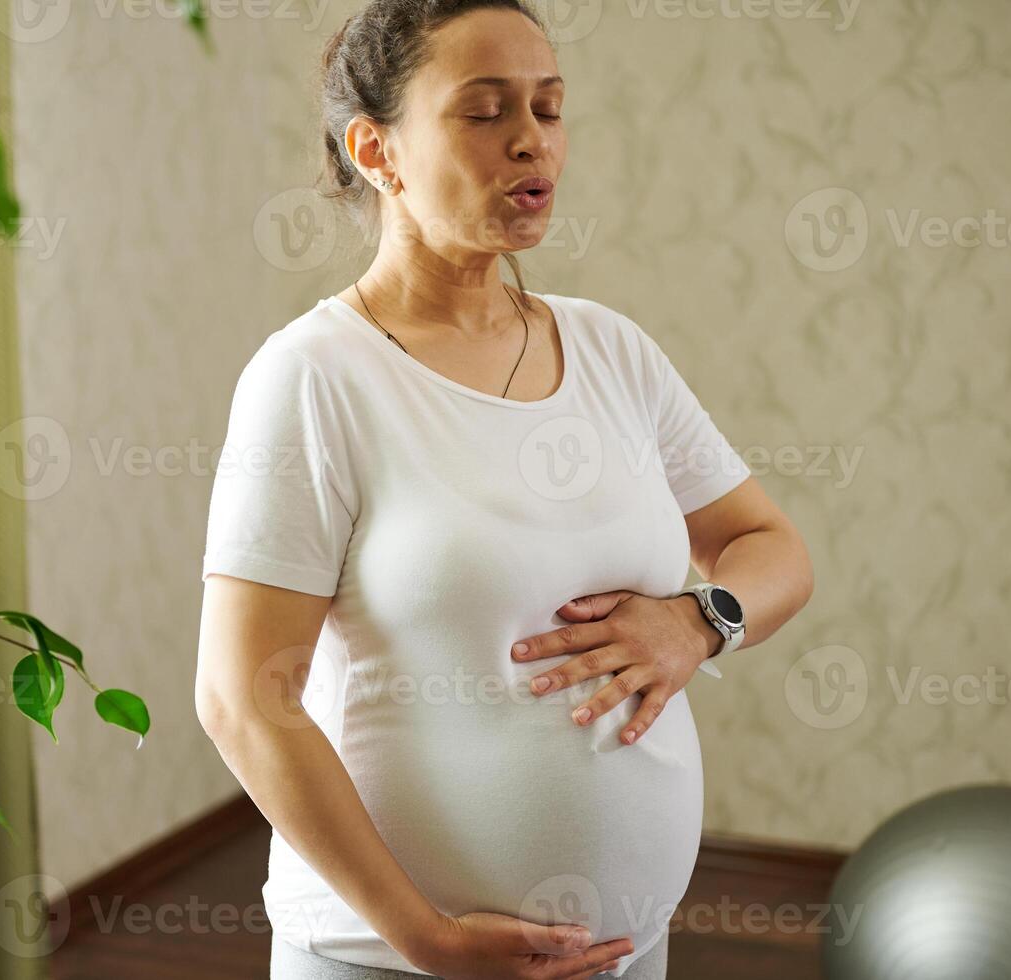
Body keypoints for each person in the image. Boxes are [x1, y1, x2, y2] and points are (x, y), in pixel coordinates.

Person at [195, 2, 816, 977]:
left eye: (549, 107)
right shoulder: (314, 376)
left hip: (625, 949)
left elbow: (771, 548)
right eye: (483, 111)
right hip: (389, 958)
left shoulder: (611, 348)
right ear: (376, 150)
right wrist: (427, 936)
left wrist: (700, 621)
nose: (532, 140)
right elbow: (244, 697)